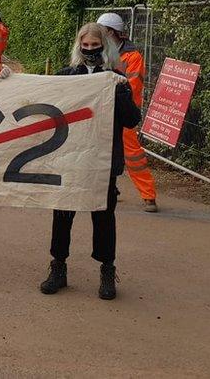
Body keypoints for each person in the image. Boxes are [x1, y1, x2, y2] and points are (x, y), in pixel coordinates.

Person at [40, 22, 141, 300]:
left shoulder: (116, 80)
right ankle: (58, 267)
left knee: (104, 216)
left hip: (102, 161)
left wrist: (121, 92)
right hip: (71, 158)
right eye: (85, 46)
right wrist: (7, 79)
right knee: (62, 214)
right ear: (78, 47)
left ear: (105, 47)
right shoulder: (66, 76)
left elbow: (132, 120)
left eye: (95, 46)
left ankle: (107, 271)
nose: (90, 51)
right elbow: (36, 94)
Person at [98, 13, 158, 212]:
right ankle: (108, 190)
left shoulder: (132, 57)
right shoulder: (100, 51)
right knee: (101, 152)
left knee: (132, 154)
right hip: (102, 110)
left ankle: (148, 195)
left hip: (123, 112)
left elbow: (132, 85)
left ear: (110, 32)